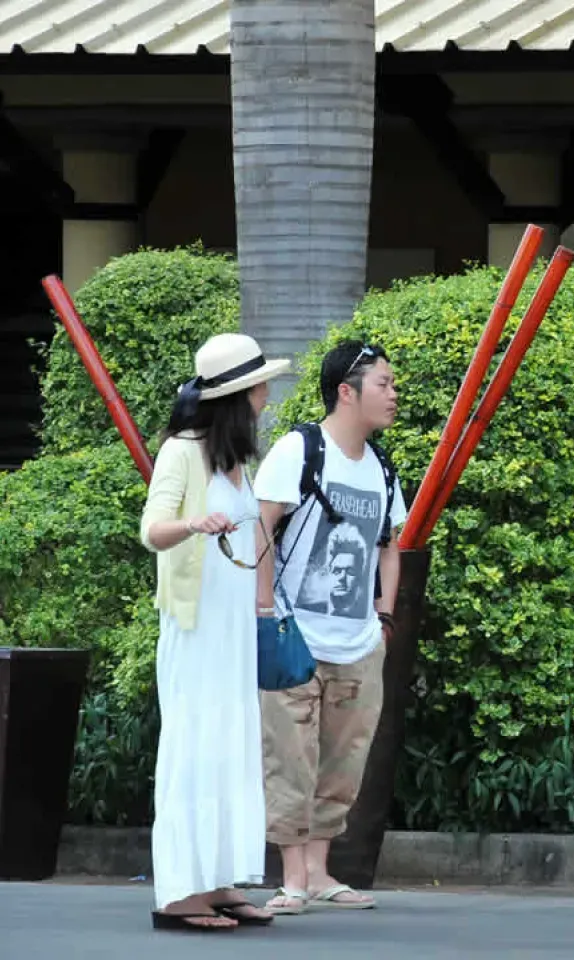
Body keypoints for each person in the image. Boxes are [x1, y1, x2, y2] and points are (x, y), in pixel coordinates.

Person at [140, 333, 291, 932]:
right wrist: (192, 523)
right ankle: (179, 892)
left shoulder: (234, 460)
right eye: (259, 387)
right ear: (236, 396)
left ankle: (219, 879)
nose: (265, 394)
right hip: (195, 625)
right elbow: (152, 529)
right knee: (194, 747)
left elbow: (253, 533)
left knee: (231, 745)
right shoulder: (182, 451)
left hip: (228, 628)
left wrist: (262, 603)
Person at [254, 341, 406, 916]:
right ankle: (291, 878)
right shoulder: (301, 449)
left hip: (358, 642)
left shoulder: (382, 465)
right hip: (296, 634)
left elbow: (392, 545)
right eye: (384, 384)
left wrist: (385, 618)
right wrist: (266, 610)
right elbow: (262, 525)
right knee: (291, 757)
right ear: (347, 391)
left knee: (343, 760)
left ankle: (318, 872)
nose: (393, 394)